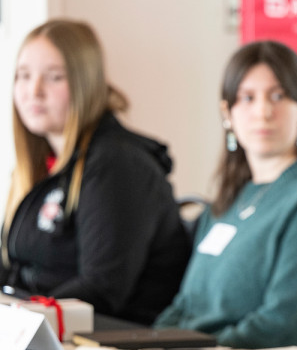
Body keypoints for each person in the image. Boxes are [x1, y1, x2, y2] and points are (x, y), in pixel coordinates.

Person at [155, 41, 297, 348]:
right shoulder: (228, 199)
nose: (263, 112)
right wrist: (149, 346)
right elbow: (184, 306)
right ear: (227, 113)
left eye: (278, 96)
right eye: (247, 98)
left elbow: (283, 328)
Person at [3, 19, 189, 323]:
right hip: (43, 332)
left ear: (85, 82)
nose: (33, 91)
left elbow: (101, 288)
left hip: (106, 344)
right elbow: (10, 265)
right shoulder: (42, 166)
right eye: (23, 76)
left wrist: (19, 322)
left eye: (54, 77)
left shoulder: (116, 164)